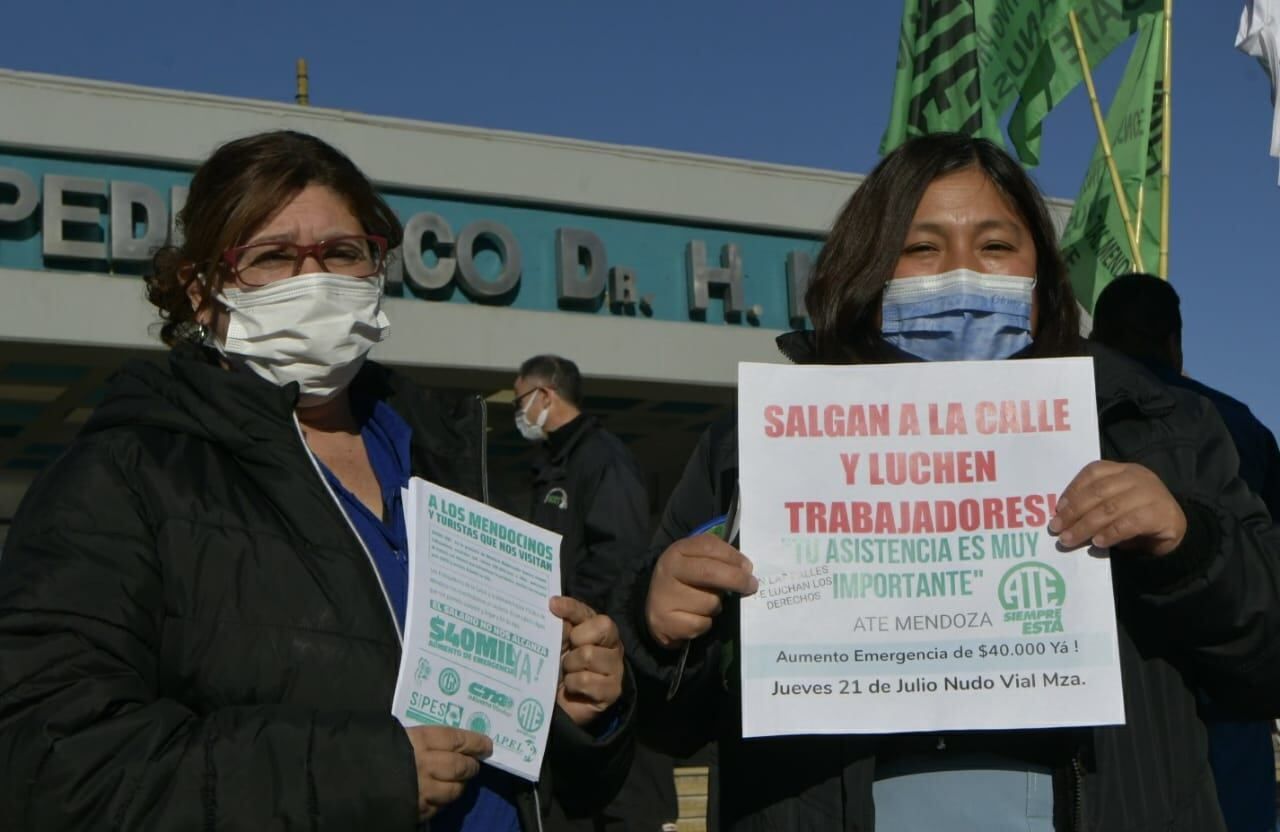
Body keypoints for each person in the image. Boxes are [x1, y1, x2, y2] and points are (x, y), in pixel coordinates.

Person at [615, 133, 1280, 831]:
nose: (962, 278)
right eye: (921, 249)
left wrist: (1190, 545)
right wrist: (659, 628)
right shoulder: (756, 448)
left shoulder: (1153, 424)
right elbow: (662, 721)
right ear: (867, 270)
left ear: (1043, 276)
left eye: (995, 247)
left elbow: (1265, 659)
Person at [0, 130, 632, 831]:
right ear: (201, 291)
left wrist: (574, 709)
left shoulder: (453, 462)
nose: (314, 280)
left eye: (341, 253)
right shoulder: (121, 481)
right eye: (271, 256)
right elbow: (52, 764)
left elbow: (540, 769)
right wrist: (363, 777)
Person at [1092, 272, 1280, 832]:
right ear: (1175, 342)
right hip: (1228, 698)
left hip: (1122, 714)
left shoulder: (1058, 416)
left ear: (1096, 337)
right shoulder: (1240, 424)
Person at [513, 355, 678, 831]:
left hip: (603, 654)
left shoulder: (603, 460)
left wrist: (572, 618)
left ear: (545, 397)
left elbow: (619, 555)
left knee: (628, 805)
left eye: (520, 399)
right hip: (563, 662)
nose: (518, 414)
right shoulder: (549, 468)